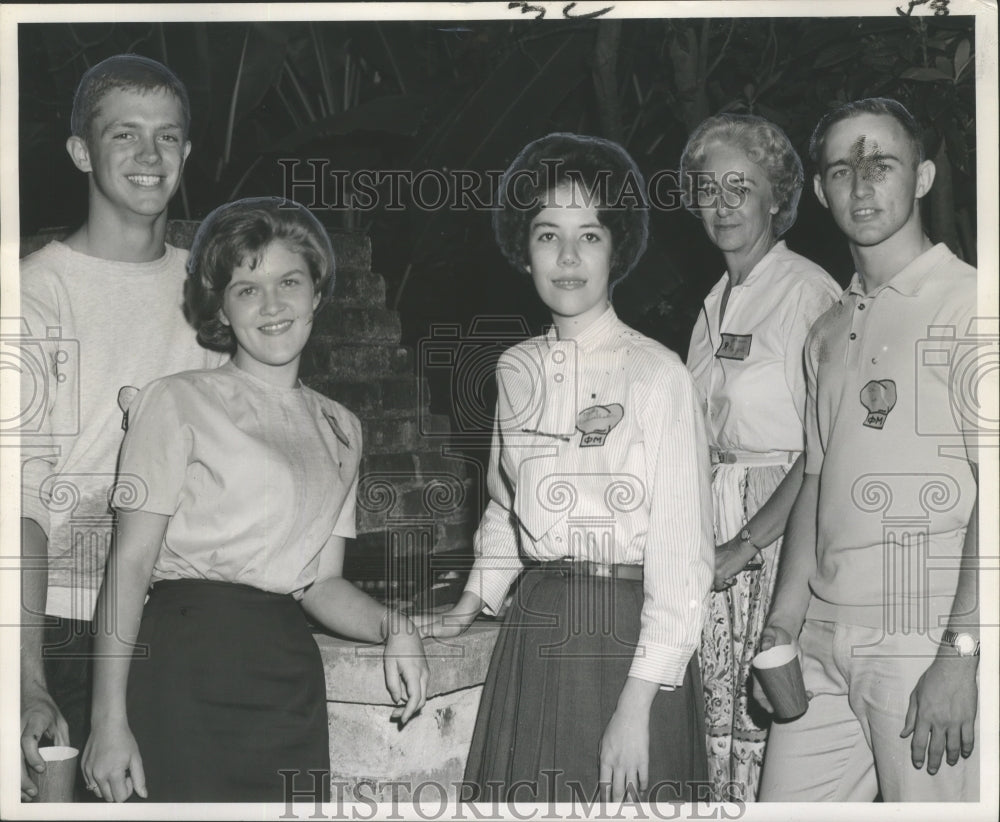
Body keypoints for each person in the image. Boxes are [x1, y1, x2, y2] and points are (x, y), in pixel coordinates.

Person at [79, 197, 429, 802]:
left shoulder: (341, 425)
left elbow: (321, 583)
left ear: (317, 292)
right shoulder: (175, 400)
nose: (271, 305)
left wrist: (395, 626)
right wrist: (106, 721)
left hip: (286, 675)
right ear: (222, 306)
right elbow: (129, 565)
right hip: (181, 664)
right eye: (246, 288)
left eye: (288, 281)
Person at [417, 133, 714, 803]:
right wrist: (473, 597)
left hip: (628, 644)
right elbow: (504, 502)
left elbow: (683, 557)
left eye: (590, 235)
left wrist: (637, 706)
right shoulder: (513, 369)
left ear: (620, 249)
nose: (569, 257)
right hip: (538, 630)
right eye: (549, 235)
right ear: (525, 252)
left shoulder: (658, 374)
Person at [755, 98, 981, 802]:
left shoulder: (969, 302)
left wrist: (961, 655)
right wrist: (782, 624)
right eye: (842, 168)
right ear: (821, 191)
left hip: (923, 634)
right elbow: (816, 486)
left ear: (921, 178)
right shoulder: (826, 327)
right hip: (821, 638)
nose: (861, 182)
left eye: (881, 163)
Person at [18, 54, 225, 803]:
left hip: (176, 623)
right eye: (124, 136)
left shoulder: (212, 291)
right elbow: (21, 505)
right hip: (64, 626)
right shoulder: (33, 294)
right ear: (80, 151)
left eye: (167, 137)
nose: (148, 157)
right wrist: (26, 678)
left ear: (187, 153)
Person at [679, 114, 840, 801]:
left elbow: (823, 453)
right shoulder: (712, 304)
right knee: (709, 747)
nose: (722, 204)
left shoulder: (809, 293)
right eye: (708, 188)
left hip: (772, 551)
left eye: (739, 187)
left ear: (776, 196)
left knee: (773, 746)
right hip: (712, 544)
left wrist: (743, 547)